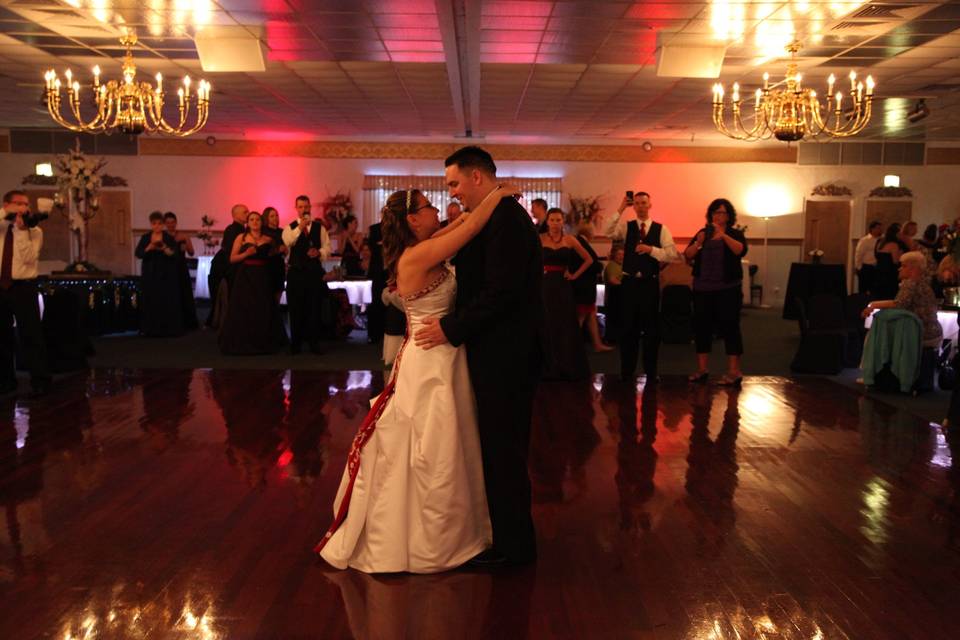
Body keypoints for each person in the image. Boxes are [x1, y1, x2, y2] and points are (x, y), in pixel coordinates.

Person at [315, 181, 519, 573]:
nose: (436, 211)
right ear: (411, 219)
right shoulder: (418, 254)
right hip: (430, 361)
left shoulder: (425, 244)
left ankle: (460, 529)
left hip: (442, 353)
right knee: (435, 444)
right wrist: (499, 192)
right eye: (428, 207)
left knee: (450, 441)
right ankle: (434, 539)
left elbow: (459, 227)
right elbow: (471, 227)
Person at [415, 145, 542, 566]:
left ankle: (514, 551)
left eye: (454, 183)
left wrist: (451, 328)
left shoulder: (507, 219)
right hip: (495, 350)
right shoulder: (496, 212)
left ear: (475, 177)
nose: (452, 193)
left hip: (506, 354)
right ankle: (505, 540)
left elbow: (501, 293)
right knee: (497, 448)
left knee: (505, 450)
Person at [614, 191, 679, 382]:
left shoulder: (661, 229)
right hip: (629, 283)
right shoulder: (627, 227)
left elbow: (671, 254)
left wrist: (651, 250)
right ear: (633, 206)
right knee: (628, 329)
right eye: (638, 203)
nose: (641, 206)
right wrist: (620, 208)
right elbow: (609, 231)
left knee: (651, 329)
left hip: (649, 283)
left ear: (650, 205)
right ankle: (627, 371)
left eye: (644, 203)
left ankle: (651, 372)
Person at [683, 198, 749, 386]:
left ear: (729, 216)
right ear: (710, 214)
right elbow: (688, 254)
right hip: (703, 288)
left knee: (730, 327)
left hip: (728, 289)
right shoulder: (703, 232)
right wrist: (698, 243)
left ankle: (734, 372)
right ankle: (702, 370)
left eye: (723, 213)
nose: (719, 216)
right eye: (716, 212)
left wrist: (723, 235)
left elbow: (740, 251)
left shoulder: (735, 233)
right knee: (702, 327)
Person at [0, 190, 50, 395]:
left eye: (26, 204)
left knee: (31, 335)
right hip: (0, 288)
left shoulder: (35, 231)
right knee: (2, 337)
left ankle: (40, 381)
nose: (24, 208)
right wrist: (5, 215)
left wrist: (21, 231)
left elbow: (30, 258)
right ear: (6, 204)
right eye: (19, 204)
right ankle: (5, 381)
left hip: (23, 287)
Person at [218, 211, 288, 354]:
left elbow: (275, 255)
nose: (255, 222)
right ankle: (243, 341)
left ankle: (264, 341)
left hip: (262, 275)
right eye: (251, 219)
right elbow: (232, 259)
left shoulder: (268, 239)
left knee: (263, 306)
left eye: (257, 219)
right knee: (244, 306)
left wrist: (284, 251)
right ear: (248, 223)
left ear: (261, 222)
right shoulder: (241, 238)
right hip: (245, 275)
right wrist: (245, 254)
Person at [539, 209, 593, 380]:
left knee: (565, 324)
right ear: (547, 222)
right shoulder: (540, 239)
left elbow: (589, 259)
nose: (555, 223)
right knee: (547, 322)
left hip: (563, 286)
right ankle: (547, 366)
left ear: (563, 222)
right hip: (545, 285)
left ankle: (566, 365)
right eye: (552, 220)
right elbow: (529, 259)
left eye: (558, 220)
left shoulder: (570, 239)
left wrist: (574, 275)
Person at [862, 251, 943, 347]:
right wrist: (874, 304)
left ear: (914, 269)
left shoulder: (910, 284)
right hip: (935, 334)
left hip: (921, 335)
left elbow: (898, 305)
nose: (899, 269)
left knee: (874, 336)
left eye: (904, 266)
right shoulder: (925, 283)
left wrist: (873, 305)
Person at [283, 195, 331, 354]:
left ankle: (314, 343)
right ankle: (295, 344)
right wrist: (300, 227)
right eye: (301, 207)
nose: (304, 209)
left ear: (310, 207)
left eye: (306, 206)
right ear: (296, 208)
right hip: (296, 273)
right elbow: (288, 242)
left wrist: (319, 252)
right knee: (296, 309)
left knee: (314, 308)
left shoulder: (320, 228)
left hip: (313, 273)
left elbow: (327, 248)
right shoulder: (290, 227)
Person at [135, 211, 184, 337]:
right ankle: (150, 328)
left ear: (163, 225)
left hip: (166, 273)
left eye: (159, 224)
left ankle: (166, 329)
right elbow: (139, 254)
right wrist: (149, 247)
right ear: (151, 225)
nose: (157, 226)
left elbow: (175, 255)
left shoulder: (168, 238)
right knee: (150, 300)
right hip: (150, 273)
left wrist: (163, 247)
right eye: (154, 224)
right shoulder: (146, 237)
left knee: (165, 300)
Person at [572, 220, 611, 353]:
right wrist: (600, 266)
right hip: (584, 287)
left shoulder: (579, 242)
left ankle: (597, 344)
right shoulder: (581, 243)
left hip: (583, 286)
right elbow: (592, 264)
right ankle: (573, 346)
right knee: (581, 317)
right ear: (588, 232)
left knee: (591, 315)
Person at [206, 203, 248, 327]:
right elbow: (230, 252)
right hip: (226, 269)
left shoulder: (241, 230)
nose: (248, 213)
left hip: (229, 267)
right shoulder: (232, 230)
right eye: (245, 212)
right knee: (226, 296)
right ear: (235, 215)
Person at [163, 211, 199, 330]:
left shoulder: (183, 235)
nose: (170, 225)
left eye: (172, 222)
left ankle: (186, 321)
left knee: (184, 292)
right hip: (167, 268)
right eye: (168, 223)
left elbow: (192, 252)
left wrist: (186, 246)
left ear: (176, 222)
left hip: (181, 267)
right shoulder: (162, 236)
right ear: (165, 224)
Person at [366, 218, 386, 344]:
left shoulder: (397, 228)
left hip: (391, 271)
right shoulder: (374, 229)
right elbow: (372, 246)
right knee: (376, 302)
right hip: (377, 271)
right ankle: (374, 334)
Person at [874, 223, 907, 300]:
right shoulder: (894, 245)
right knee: (889, 295)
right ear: (895, 234)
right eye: (899, 233)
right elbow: (895, 261)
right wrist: (901, 254)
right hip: (889, 274)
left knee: (880, 296)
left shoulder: (880, 242)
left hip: (879, 273)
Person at [262, 206, 287, 302]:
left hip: (279, 265)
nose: (275, 217)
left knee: (278, 293)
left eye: (276, 215)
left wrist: (285, 250)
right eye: (272, 216)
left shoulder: (282, 231)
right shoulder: (263, 231)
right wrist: (277, 250)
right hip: (267, 266)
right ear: (266, 218)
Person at [854, 221, 883, 296]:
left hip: (877, 267)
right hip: (867, 267)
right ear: (872, 229)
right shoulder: (865, 240)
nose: (880, 230)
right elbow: (859, 254)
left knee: (875, 289)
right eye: (878, 228)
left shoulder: (882, 240)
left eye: (881, 228)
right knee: (863, 289)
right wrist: (859, 268)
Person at [603, 245, 624, 344]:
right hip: (614, 297)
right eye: (619, 254)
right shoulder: (612, 265)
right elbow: (612, 280)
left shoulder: (622, 266)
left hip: (619, 297)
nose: (621, 256)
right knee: (614, 318)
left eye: (623, 254)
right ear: (614, 255)